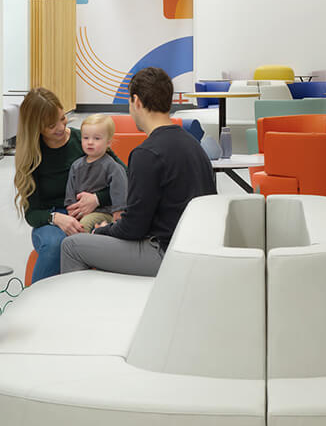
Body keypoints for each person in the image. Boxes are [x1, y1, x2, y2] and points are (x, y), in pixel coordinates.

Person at [60, 66, 216, 277]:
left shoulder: (146, 153)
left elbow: (134, 227)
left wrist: (102, 230)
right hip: (196, 248)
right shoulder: (193, 144)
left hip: (165, 252)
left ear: (137, 101)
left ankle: (77, 309)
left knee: (71, 246)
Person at [13, 88, 121, 283]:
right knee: (56, 245)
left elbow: (125, 176)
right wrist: (56, 218)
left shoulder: (85, 140)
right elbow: (32, 213)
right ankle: (35, 305)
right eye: (51, 125)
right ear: (36, 128)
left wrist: (97, 198)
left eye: (62, 118)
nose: (61, 127)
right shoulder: (32, 157)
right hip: (53, 219)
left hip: (96, 211)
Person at [66, 114, 128, 232]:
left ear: (108, 142)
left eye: (96, 138)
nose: (90, 142)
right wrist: (71, 208)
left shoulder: (112, 166)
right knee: (71, 226)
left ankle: (81, 249)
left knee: (84, 225)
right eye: (86, 138)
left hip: (104, 213)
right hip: (80, 212)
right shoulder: (76, 166)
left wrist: (118, 212)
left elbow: (120, 191)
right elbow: (70, 190)